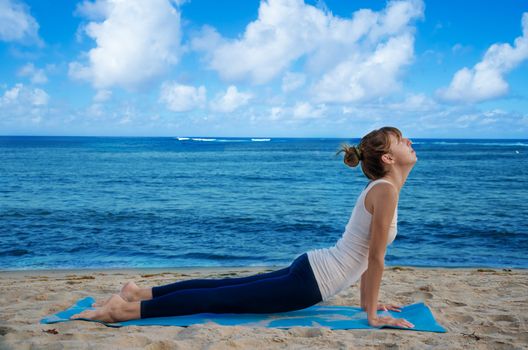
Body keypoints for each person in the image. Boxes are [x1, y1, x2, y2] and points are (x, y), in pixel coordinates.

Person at [71, 126, 416, 329]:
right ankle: (124, 309)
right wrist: (371, 314)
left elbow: (367, 259)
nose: (409, 142)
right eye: (401, 140)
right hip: (313, 280)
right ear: (388, 158)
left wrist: (370, 303)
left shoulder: (384, 190)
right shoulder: (385, 190)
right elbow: (374, 258)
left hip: (313, 268)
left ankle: (138, 292)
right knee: (222, 297)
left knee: (223, 289)